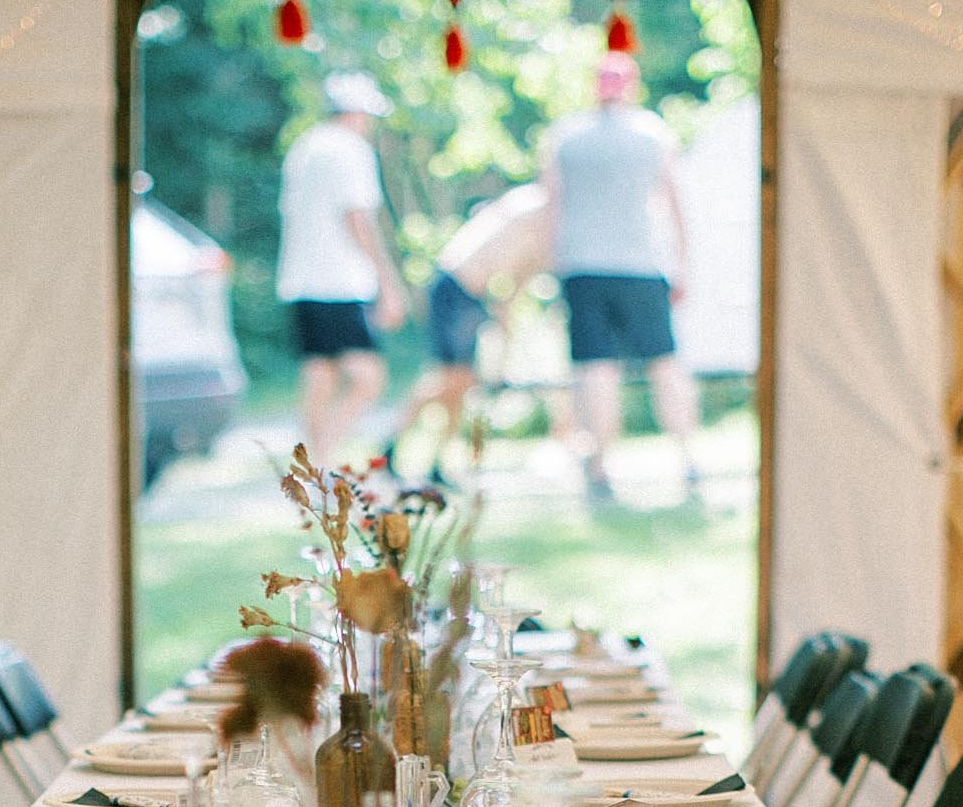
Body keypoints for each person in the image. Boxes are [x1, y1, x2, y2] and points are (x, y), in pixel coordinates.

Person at [542, 54, 700, 511]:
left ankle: (599, 470)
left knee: (595, 368)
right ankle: (689, 460)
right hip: (642, 266)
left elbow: (552, 205)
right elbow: (673, 202)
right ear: (631, 86)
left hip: (582, 268)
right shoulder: (653, 134)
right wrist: (682, 264)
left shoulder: (565, 138)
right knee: (665, 363)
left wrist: (556, 267)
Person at [276, 70, 407, 467]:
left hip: (301, 278)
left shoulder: (305, 147)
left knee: (320, 374)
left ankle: (316, 465)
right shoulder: (350, 150)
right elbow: (358, 220)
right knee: (368, 376)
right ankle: (324, 456)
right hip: (340, 282)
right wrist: (388, 281)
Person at [382, 181, 551, 484]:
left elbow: (514, 283)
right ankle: (389, 448)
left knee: (461, 385)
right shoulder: (534, 204)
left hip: (471, 296)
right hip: (454, 289)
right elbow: (517, 264)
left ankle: (437, 463)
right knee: (450, 379)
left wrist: (505, 348)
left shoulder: (542, 217)